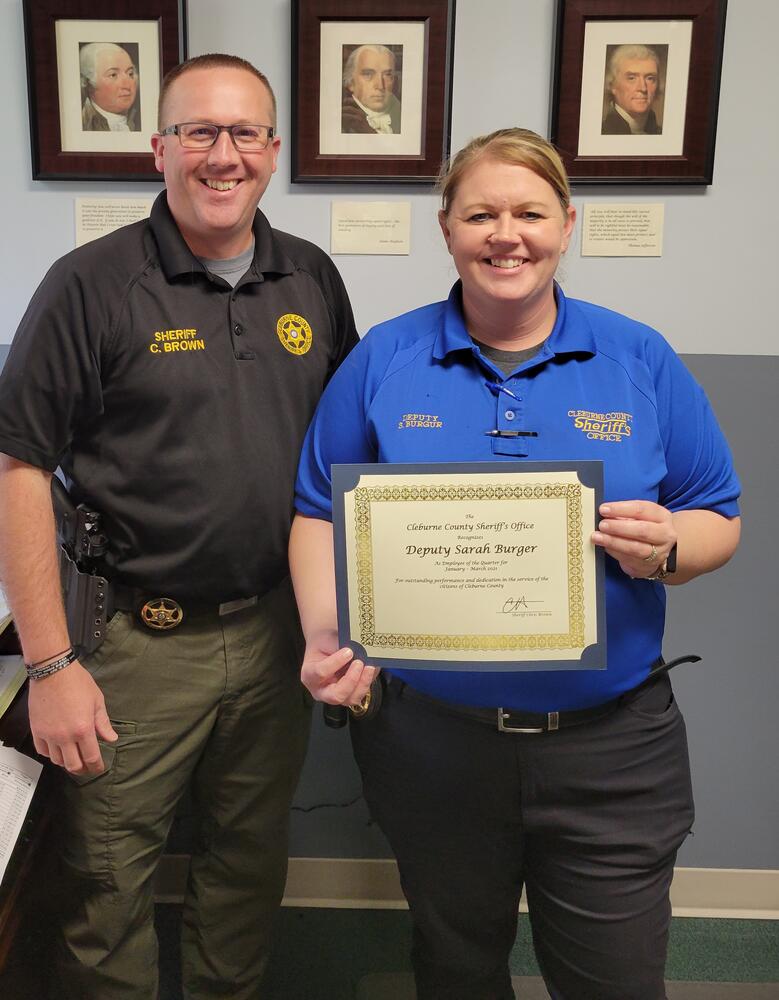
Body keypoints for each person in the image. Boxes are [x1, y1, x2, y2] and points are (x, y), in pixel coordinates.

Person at [290, 128, 740, 999]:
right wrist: (322, 632)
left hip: (612, 748)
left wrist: (670, 548)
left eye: (529, 212)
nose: (507, 233)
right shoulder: (384, 355)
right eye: (481, 213)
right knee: (456, 966)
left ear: (565, 224)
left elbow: (717, 515)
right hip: (433, 746)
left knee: (613, 980)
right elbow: (317, 510)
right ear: (447, 228)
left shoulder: (635, 356)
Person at [0, 53, 357, 999]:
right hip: (130, 646)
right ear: (159, 148)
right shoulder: (90, 283)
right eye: (198, 132)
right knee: (105, 886)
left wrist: (350, 624)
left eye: (243, 133)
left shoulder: (311, 279)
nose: (221, 154)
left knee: (243, 875)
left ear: (273, 151)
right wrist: (48, 666)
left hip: (275, 632)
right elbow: (19, 471)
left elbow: (343, 470)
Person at [602, 43, 662, 135]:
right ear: (613, 85)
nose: (643, 88)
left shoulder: (662, 133)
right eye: (631, 78)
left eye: (650, 78)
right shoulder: (603, 132)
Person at [80, 41, 140, 132]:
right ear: (88, 82)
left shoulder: (142, 118)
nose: (127, 84)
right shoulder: (83, 124)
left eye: (130, 74)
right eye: (113, 75)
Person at [341, 44, 401, 134]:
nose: (380, 86)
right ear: (350, 82)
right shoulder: (341, 120)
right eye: (368, 74)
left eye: (387, 75)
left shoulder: (400, 111)